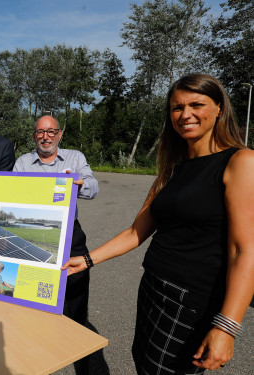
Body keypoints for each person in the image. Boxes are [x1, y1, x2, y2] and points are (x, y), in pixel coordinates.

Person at [62, 73, 254, 374]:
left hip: (192, 302)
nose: (185, 114)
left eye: (196, 105)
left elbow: (245, 251)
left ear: (219, 108)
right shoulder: (172, 170)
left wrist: (227, 326)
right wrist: (86, 260)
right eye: (177, 108)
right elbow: (135, 232)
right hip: (152, 288)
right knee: (143, 363)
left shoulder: (240, 162)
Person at [14, 115, 98, 375]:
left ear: (59, 135)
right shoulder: (23, 162)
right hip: (32, 232)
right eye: (40, 132)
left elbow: (93, 187)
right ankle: (37, 360)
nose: (46, 136)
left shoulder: (75, 158)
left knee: (75, 303)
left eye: (51, 132)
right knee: (33, 302)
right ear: (34, 136)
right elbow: (11, 193)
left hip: (70, 235)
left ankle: (80, 357)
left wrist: (77, 182)